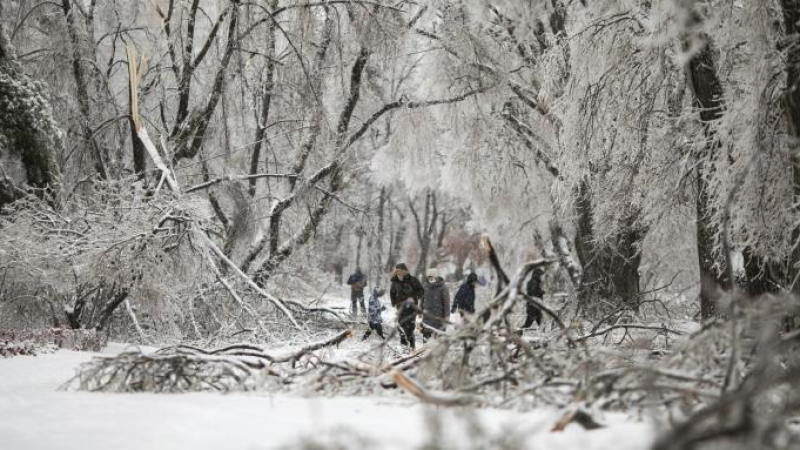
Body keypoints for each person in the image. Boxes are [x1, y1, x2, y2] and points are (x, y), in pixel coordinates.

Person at [389, 263, 424, 349]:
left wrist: (413, 297)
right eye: (397, 272)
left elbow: (421, 291)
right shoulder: (395, 282)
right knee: (401, 324)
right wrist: (394, 302)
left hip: (412, 307)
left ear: (405, 271)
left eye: (401, 271)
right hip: (400, 307)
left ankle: (412, 346)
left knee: (410, 326)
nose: (399, 274)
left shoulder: (413, 280)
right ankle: (404, 344)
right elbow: (392, 293)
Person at [420, 268, 450, 342]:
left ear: (436, 277)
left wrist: (447, 315)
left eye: (432, 277)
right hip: (427, 315)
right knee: (426, 336)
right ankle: (425, 351)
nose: (430, 278)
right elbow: (422, 299)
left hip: (439, 316)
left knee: (438, 339)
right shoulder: (425, 286)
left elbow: (446, 303)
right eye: (429, 277)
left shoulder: (443, 287)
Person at [520, 268, 545, 332]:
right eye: (540, 275)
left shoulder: (533, 282)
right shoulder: (534, 282)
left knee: (537, 324)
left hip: (533, 306)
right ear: (536, 275)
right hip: (534, 307)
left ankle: (517, 333)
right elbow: (534, 293)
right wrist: (541, 292)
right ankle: (516, 334)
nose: (541, 277)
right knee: (530, 324)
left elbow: (532, 292)